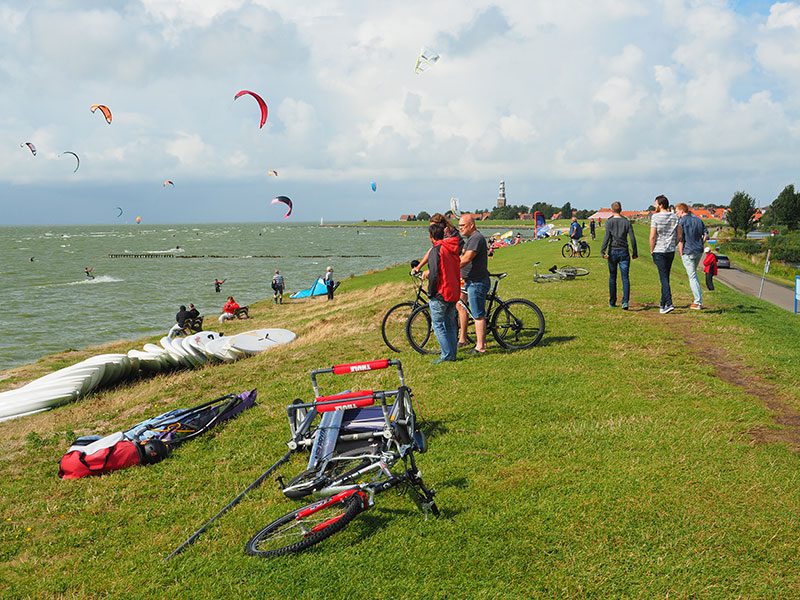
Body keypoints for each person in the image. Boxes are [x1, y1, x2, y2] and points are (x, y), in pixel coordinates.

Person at [422, 223, 461, 364]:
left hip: (441, 292)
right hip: (453, 291)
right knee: (450, 324)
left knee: (438, 325)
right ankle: (452, 354)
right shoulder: (451, 248)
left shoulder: (436, 250)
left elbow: (434, 274)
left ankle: (446, 355)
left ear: (431, 236)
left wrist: (431, 292)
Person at [458, 215, 490, 354]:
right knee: (460, 304)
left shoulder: (476, 238)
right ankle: (463, 338)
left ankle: (480, 346)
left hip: (477, 282)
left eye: (462, 225)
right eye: (459, 226)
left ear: (471, 225)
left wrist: (448, 269)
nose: (460, 229)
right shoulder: (470, 239)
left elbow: (466, 259)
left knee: (478, 315)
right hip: (469, 281)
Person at [600, 202, 638, 310]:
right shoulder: (626, 222)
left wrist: (603, 251)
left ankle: (612, 301)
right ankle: (625, 302)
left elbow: (606, 238)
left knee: (612, 277)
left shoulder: (609, 222)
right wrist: (634, 252)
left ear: (612, 210)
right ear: (621, 209)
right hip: (624, 251)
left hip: (612, 251)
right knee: (625, 277)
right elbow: (632, 238)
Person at [649, 195, 681, 314]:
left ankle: (669, 302)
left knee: (663, 278)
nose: (654, 206)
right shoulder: (674, 217)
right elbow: (679, 235)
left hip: (659, 250)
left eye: (656, 204)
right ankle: (662, 305)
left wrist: (652, 250)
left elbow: (652, 236)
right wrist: (674, 244)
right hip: (670, 250)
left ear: (661, 205)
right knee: (665, 277)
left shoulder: (655, 217)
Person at [675, 203, 709, 310]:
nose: (676, 213)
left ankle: (697, 302)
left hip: (688, 251)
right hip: (698, 250)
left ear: (681, 211)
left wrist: (681, 252)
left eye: (676, 211)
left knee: (692, 276)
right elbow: (706, 235)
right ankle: (697, 300)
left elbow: (680, 238)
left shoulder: (681, 221)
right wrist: (701, 243)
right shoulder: (698, 220)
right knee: (694, 274)